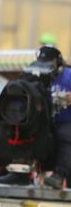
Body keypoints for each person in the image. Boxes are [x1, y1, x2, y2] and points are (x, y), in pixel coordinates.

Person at [34, 39, 71, 189]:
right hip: (47, 122)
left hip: (67, 122)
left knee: (65, 134)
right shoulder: (38, 77)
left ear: (58, 62)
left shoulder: (69, 75)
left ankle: (59, 174)